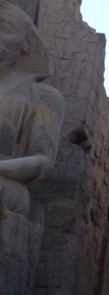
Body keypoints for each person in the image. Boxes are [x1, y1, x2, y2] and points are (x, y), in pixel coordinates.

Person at [0, 0, 64, 216]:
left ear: (27, 42)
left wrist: (3, 167)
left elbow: (44, 161)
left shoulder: (45, 97)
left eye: (4, 28)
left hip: (8, 183)